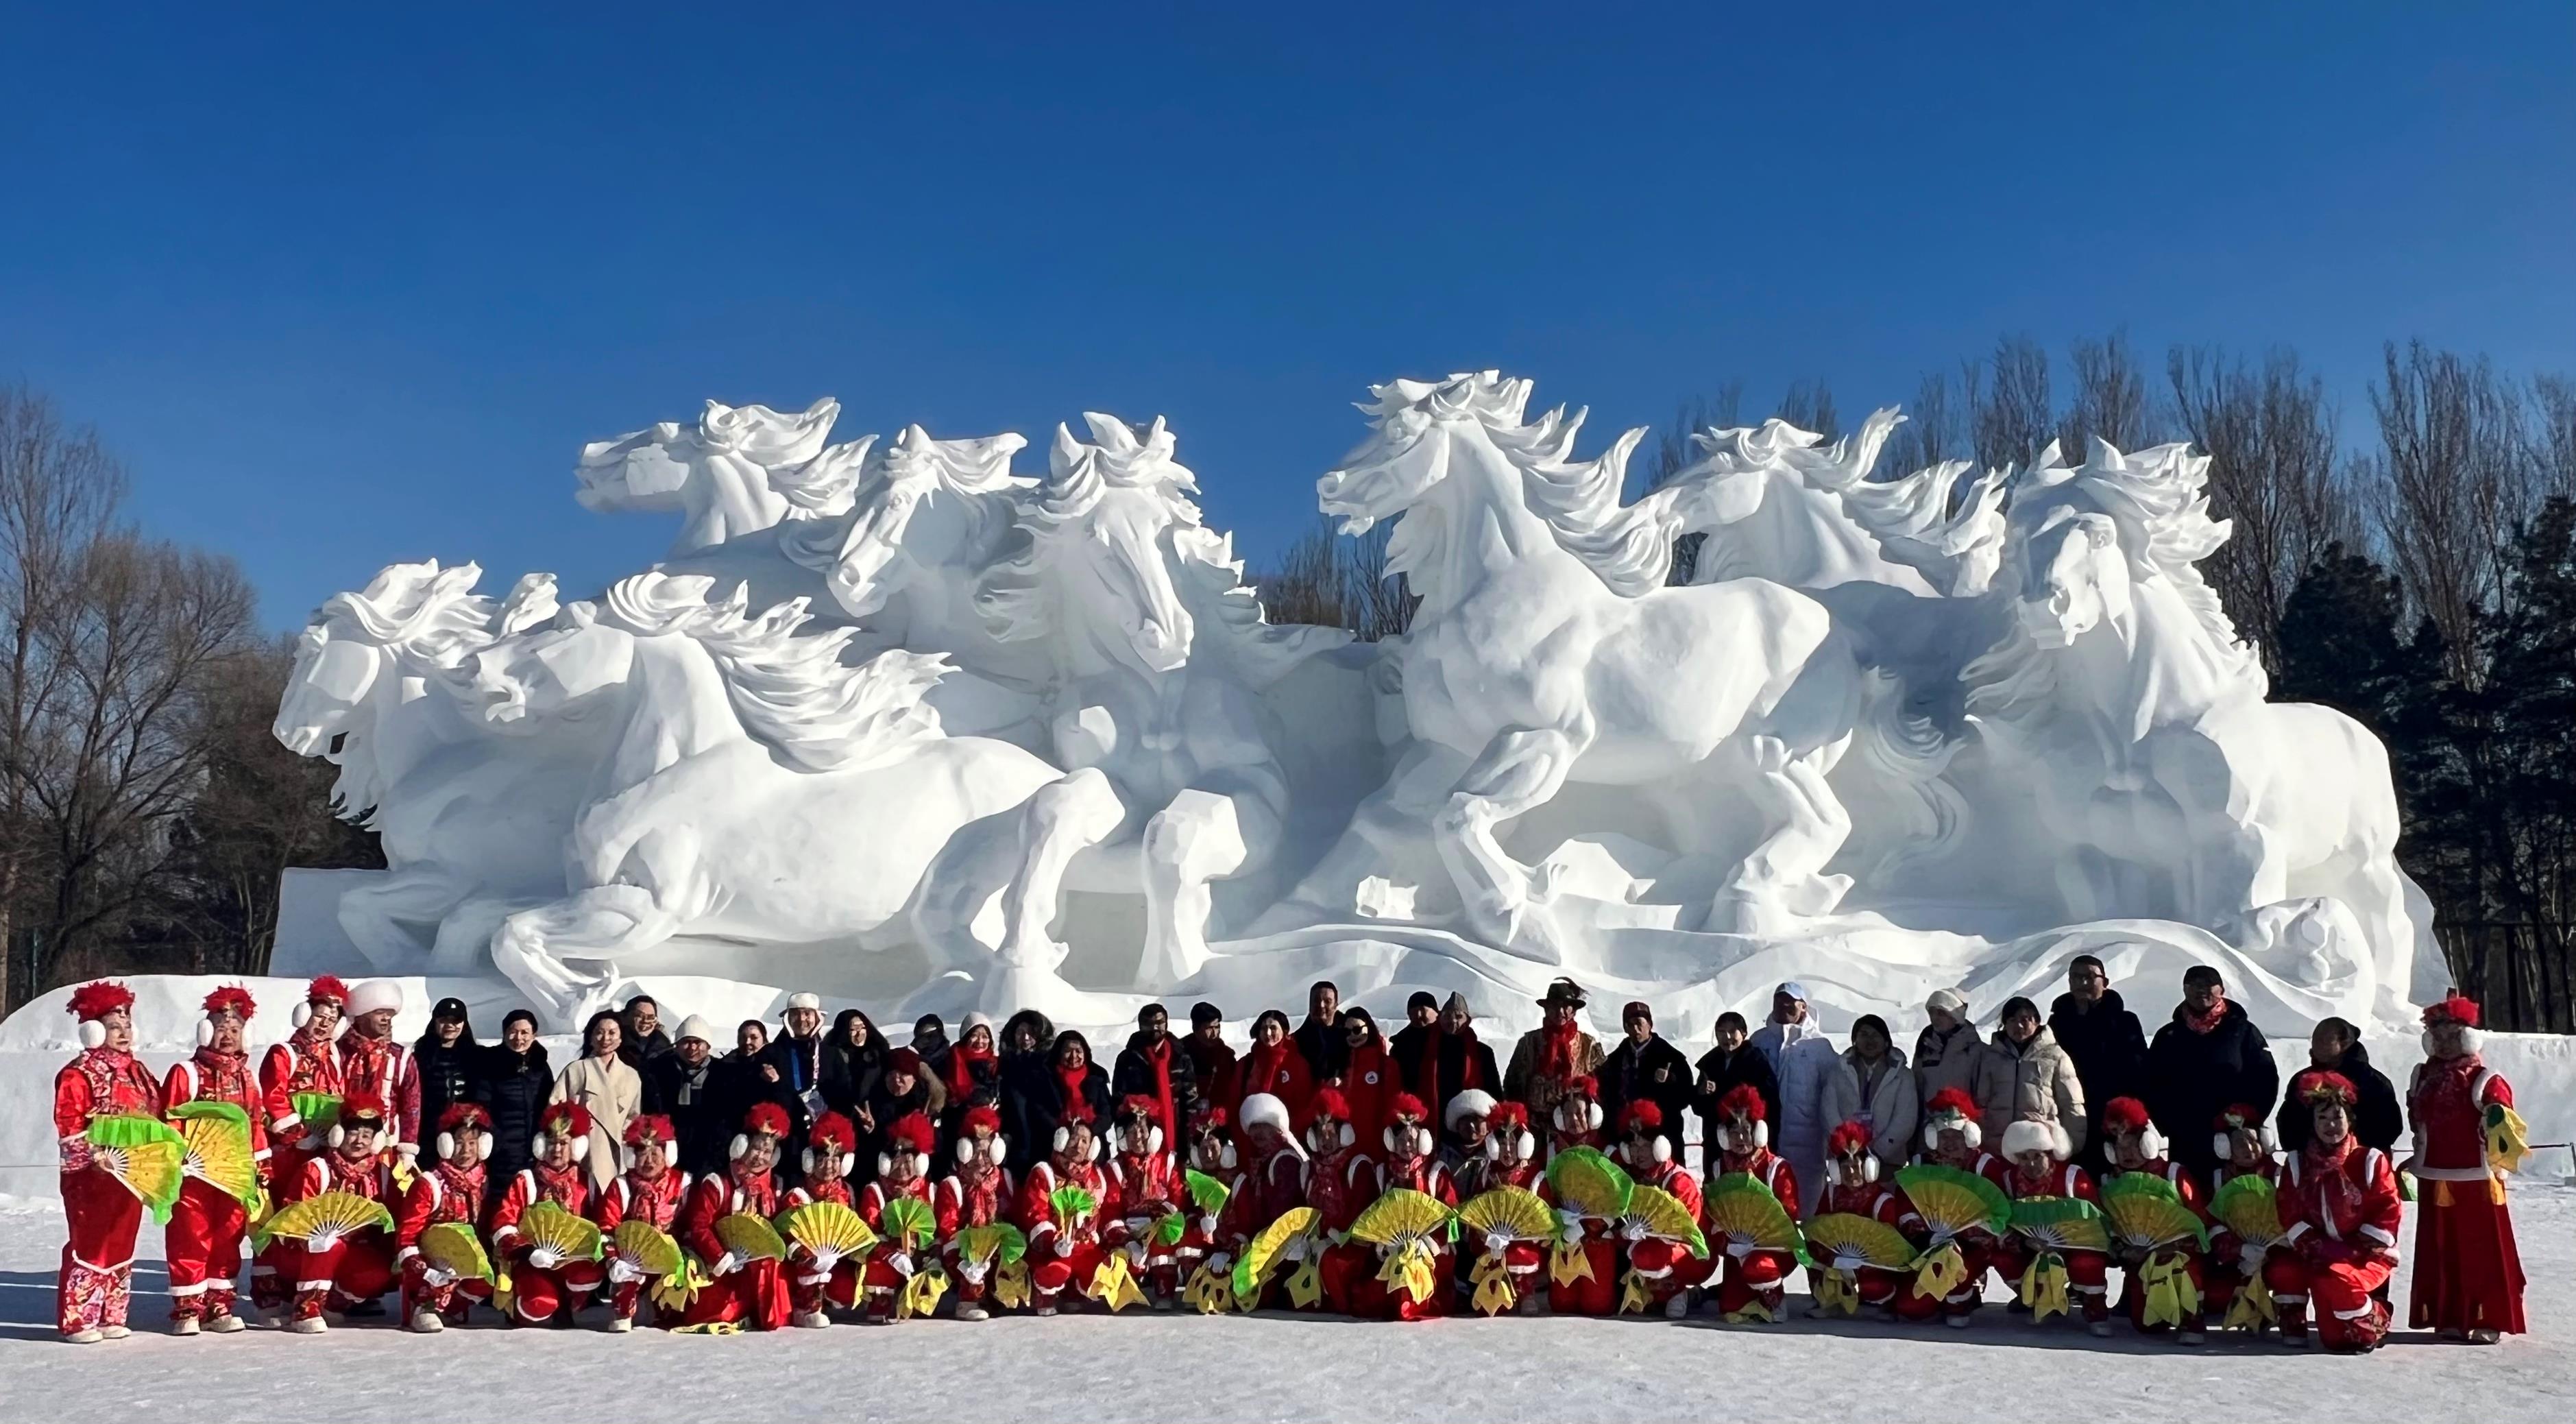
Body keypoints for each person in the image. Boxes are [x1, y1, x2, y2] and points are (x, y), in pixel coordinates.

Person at [2405, 993, 2526, 1342]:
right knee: (2441, 1249)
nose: (2444, 1044)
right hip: (2434, 1176)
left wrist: (2495, 1120)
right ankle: (2451, 1315)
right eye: (2438, 1036)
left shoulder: (2486, 1079)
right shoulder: (2422, 1075)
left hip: (2477, 1179)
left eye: (2453, 1036)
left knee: (2481, 1248)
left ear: (2469, 1036)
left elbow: (2505, 1125)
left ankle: (2489, 1318)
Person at [53, 982, 164, 1343]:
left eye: (127, 1026)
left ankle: (111, 1314)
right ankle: (78, 1319)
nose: (124, 1033)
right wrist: (94, 1154)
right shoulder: (78, 1073)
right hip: (91, 1173)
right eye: (115, 1027)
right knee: (90, 1241)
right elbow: (69, 1123)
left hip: (131, 1172)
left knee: (122, 1240)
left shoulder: (140, 1072)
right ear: (95, 1030)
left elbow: (158, 1113)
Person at [2270, 1070, 2404, 1352]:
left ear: (2349, 1120)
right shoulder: (2296, 1164)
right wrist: (2317, 1247)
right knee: (2284, 1269)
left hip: (2364, 1255)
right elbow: (2289, 1212)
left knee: (2344, 1303)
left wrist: (2354, 1249)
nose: (2331, 1125)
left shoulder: (2369, 1160)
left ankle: (2375, 1320)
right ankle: (2293, 1320)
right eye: (2323, 1118)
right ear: (2312, 1123)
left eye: (2337, 1117)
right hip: (2317, 1256)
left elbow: (2388, 1210)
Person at [161, 984, 267, 1336]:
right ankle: (187, 1308)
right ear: (206, 1031)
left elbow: (255, 1123)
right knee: (190, 1236)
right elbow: (171, 1120)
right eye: (221, 1028)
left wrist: (261, 1162)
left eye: (235, 1030)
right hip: (194, 1173)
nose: (227, 1036)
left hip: (233, 1174)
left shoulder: (247, 1078)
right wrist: (177, 1157)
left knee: (228, 1236)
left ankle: (220, 1304)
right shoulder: (186, 1073)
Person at [278, 1090, 400, 1334]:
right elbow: (294, 1217)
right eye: (354, 1132)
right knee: (329, 1242)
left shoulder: (383, 1175)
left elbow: (393, 1220)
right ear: (339, 1133)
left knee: (379, 1272)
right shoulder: (317, 1169)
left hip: (354, 1251)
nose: (359, 1141)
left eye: (367, 1135)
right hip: (304, 1253)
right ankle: (306, 1308)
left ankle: (333, 1304)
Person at [2144, 966, 2278, 1180]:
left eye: (2208, 985)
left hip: (2236, 1139)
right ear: (2184, 990)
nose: (2201, 991)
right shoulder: (2168, 1036)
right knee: (2191, 1203)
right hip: (2187, 1140)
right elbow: (2151, 1084)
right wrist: (2171, 1125)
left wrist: (2248, 1120)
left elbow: (2266, 1079)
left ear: (2221, 990)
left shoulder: (2243, 1032)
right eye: (2194, 985)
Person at [676, 1102, 794, 1331]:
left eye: (767, 1151)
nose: (760, 1156)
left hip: (757, 1268)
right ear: (741, 1146)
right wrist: (721, 1257)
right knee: (719, 1312)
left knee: (774, 1297)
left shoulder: (776, 1187)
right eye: (756, 1148)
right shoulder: (718, 1184)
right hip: (720, 1267)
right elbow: (699, 1226)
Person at [2098, 1096, 2205, 1343]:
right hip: (2140, 1260)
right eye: (2120, 1148)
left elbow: (2198, 1221)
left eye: (2134, 1146)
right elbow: (2107, 1227)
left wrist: (2173, 1245)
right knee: (2145, 1326)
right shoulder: (2111, 1183)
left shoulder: (2173, 1174)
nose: (2128, 1154)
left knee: (2188, 1269)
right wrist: (2124, 1250)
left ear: (2148, 1143)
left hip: (2181, 1257)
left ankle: (2193, 1317)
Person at [1897, 1089, 2008, 1327]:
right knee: (1911, 1307)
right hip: (1929, 1245)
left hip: (1972, 1248)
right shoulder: (1920, 1165)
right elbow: (1906, 1206)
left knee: (1955, 1304)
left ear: (1969, 1136)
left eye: (1956, 1136)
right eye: (1943, 1136)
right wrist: (1927, 1236)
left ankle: (1965, 1293)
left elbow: (1998, 1213)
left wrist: (1961, 1236)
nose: (1949, 1143)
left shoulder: (1984, 1166)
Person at [1992, 1115, 2111, 1336]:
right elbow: (2000, 1219)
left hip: (2075, 1247)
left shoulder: (2072, 1177)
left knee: (2088, 1262)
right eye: (2023, 1158)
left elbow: (2096, 1220)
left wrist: (2066, 1243)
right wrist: (2023, 1240)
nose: (2031, 1164)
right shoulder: (2009, 1180)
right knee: (2003, 1256)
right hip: (2031, 1248)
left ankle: (2095, 1309)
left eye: (2037, 1156)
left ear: (2049, 1153)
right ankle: (2034, 1298)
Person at [489, 1101, 604, 1325]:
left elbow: (601, 1225)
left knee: (590, 1273)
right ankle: (519, 1306)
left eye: (563, 1143)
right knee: (538, 1306)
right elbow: (503, 1223)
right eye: (551, 1143)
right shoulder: (527, 1180)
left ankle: (568, 1303)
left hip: (571, 1261)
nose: (557, 1150)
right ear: (541, 1145)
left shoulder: (585, 1183)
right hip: (531, 1261)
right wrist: (528, 1251)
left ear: (576, 1147)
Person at [1351, 1093, 1457, 1320]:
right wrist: (1383, 1243)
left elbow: (1452, 1221)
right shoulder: (1381, 1174)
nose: (1407, 1145)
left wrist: (1428, 1244)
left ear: (1423, 1141)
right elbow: (1370, 1217)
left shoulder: (1436, 1174)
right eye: (1401, 1140)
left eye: (1412, 1140)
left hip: (1431, 1252)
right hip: (1390, 1251)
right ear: (1391, 1140)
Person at [1808, 1119, 1924, 1320]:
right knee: (1816, 1265)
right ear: (1836, 1171)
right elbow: (1818, 1233)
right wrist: (1834, 1258)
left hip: (1874, 1270)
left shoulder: (1882, 1201)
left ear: (1869, 1168)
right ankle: (1832, 1300)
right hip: (1838, 1265)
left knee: (1875, 1287)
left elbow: (1893, 1249)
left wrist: (1861, 1263)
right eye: (1845, 1168)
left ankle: (1880, 1302)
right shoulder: (1830, 1194)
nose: (1852, 1173)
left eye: (1856, 1166)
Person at [394, 1102, 492, 1332]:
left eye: (472, 1143)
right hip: (429, 1266)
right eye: (459, 1143)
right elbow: (407, 1237)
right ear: (446, 1145)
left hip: (465, 1261)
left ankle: (448, 1308)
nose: (466, 1151)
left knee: (487, 1281)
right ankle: (425, 1306)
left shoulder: (483, 1182)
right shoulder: (429, 1184)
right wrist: (424, 1269)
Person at [1705, 1085, 1799, 1323]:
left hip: (1774, 1251)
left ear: (1758, 1132)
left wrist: (1759, 1241)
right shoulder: (1719, 1169)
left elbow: (1788, 1216)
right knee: (1730, 1307)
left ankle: (1774, 1294)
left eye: (1746, 1131)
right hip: (1737, 1251)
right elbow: (1712, 1214)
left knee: (1759, 1271)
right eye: (1733, 1132)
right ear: (1724, 1135)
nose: (1741, 1138)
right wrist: (1725, 1241)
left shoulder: (1777, 1169)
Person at [2049, 955, 2147, 1171]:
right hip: (2069, 1116)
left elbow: (2140, 1073)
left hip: (2113, 1118)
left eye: (2090, 977)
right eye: (2076, 977)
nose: (2082, 982)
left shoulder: (2125, 1022)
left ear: (2105, 981)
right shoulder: (2057, 1023)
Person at [594, 1113, 691, 1332]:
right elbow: (606, 1228)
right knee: (626, 1273)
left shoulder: (683, 1184)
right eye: (642, 1154)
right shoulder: (621, 1187)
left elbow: (691, 1226)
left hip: (672, 1260)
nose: (649, 1161)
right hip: (633, 1262)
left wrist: (687, 1256)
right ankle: (624, 1307)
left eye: (655, 1154)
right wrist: (613, 1260)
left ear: (667, 1154)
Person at [1017, 1101, 1111, 1316]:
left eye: (1085, 1141)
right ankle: (1046, 1294)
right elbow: (1035, 1213)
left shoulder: (1097, 1178)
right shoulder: (1045, 1173)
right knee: (1057, 1270)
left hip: (1084, 1247)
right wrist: (1053, 1242)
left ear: (1092, 1147)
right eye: (1074, 1138)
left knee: (1106, 1273)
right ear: (1061, 1139)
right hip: (1052, 1249)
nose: (1078, 1145)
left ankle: (1074, 1292)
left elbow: (1102, 1216)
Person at [1751, 982, 1838, 1211]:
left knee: (1804, 1206)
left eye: (1791, 1003)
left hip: (1807, 1143)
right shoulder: (1760, 1041)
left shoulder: (1819, 1046)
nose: (1784, 1007)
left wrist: (1833, 1137)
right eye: (1779, 1002)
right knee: (1767, 1206)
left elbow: (1834, 1094)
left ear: (1804, 1007)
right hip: (1765, 1138)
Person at [1613, 1101, 1704, 1318]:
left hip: (1688, 1252)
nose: (1638, 1153)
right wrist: (1623, 1234)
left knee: (1647, 1254)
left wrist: (1651, 1233)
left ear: (1659, 1146)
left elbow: (1688, 1227)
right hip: (1648, 1251)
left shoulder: (1678, 1180)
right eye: (1633, 1147)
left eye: (1644, 1146)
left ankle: (1677, 1292)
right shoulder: (1631, 1179)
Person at [258, 976, 349, 1194]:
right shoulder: (284, 1053)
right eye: (320, 1016)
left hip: (325, 1148)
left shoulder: (335, 1056)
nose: (325, 1024)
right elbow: (273, 1097)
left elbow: (339, 1094)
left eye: (332, 1020)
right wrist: (299, 1135)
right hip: (289, 1148)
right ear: (305, 1015)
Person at [1297, 1088, 1381, 1316]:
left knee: (1330, 1263)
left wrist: (1333, 1236)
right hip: (1319, 1243)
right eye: (1320, 1134)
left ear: (1343, 1134)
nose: (1326, 1141)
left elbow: (1363, 1216)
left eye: (1331, 1134)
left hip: (1355, 1247)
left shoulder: (1358, 1166)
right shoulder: (1309, 1170)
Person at [852, 1111, 939, 1325]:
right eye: (896, 1157)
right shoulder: (876, 1192)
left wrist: (929, 1253)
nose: (901, 1164)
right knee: (875, 1262)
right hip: (888, 1258)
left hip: (920, 1258)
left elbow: (939, 1232)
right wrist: (892, 1255)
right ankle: (880, 1300)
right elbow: (869, 1235)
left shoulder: (930, 1192)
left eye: (909, 1159)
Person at [1459, 1100, 1545, 1315]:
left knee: (1521, 1254)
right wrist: (1485, 1235)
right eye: (1502, 1143)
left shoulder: (1533, 1176)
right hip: (1492, 1243)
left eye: (1514, 1144)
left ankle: (1526, 1292)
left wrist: (1525, 1233)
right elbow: (1476, 1211)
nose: (1508, 1150)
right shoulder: (1487, 1173)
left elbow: (1545, 1216)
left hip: (1525, 1242)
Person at [1978, 995, 2088, 1163]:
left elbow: (2071, 1103)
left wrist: (2072, 1145)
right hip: (1998, 1148)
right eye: (2012, 1020)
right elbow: (1981, 1103)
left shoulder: (2054, 1055)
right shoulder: (1991, 1057)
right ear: (2004, 1025)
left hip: (2039, 1151)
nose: (2019, 1026)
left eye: (2025, 1019)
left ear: (2037, 1021)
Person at [1102, 1095, 1185, 1310]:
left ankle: (1165, 1290)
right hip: (1129, 1228)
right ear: (1122, 1136)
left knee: (1164, 1245)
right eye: (1131, 1131)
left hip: (1159, 1226)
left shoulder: (1168, 1163)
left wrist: (1161, 1222)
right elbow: (1110, 1210)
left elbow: (1178, 1197)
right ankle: (1128, 1289)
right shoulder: (1115, 1168)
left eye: (1142, 1130)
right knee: (1121, 1256)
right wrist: (1127, 1239)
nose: (1137, 1137)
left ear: (1153, 1135)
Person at [936, 1105, 1017, 1321]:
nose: (981, 1160)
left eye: (986, 1152)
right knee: (972, 1256)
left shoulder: (1004, 1179)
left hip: (996, 1249)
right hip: (963, 1252)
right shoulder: (953, 1184)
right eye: (976, 1152)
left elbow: (1012, 1215)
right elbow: (947, 1229)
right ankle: (967, 1301)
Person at [2276, 1017, 2401, 1155]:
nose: (2315, 1044)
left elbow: (2389, 1129)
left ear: (2344, 1043)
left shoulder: (2374, 1083)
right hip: (2311, 1167)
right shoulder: (2302, 1080)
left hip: (2363, 1167)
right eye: (2314, 1039)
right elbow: (2288, 1127)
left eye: (2323, 1040)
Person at [552, 1009, 643, 1192]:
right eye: (599, 1032)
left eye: (612, 1033)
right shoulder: (576, 1071)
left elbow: (634, 1116)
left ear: (621, 1038)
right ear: (591, 1037)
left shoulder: (631, 1076)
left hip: (616, 1153)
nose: (605, 1038)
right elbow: (555, 1112)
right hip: (584, 1153)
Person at [1825, 1013, 1918, 1183]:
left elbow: (1905, 1119)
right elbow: (1829, 1111)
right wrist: (1847, 1148)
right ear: (1855, 1041)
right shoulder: (1838, 1072)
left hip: (1888, 1161)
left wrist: (1877, 1153)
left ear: (1887, 1041)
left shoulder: (1902, 1075)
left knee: (1885, 1206)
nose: (1870, 1040)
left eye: (1876, 1035)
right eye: (1864, 1035)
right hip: (1848, 1161)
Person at [1599, 1001, 1693, 1168]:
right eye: (1630, 1025)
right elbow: (1606, 1098)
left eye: (1639, 1024)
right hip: (1628, 1137)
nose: (1635, 1029)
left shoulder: (1672, 1058)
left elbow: (1686, 1097)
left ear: (1650, 1024)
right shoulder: (1614, 1061)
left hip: (1663, 1135)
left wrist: (1670, 1080)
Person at [1505, 978, 1605, 1131]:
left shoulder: (1588, 1045)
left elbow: (1603, 1087)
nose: (1560, 1012)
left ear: (1574, 1010)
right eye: (1555, 1007)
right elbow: (1512, 1087)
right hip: (1536, 1128)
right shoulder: (1528, 1044)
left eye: (1566, 1007)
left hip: (1577, 1128)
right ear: (1546, 1009)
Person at [337, 979, 422, 1157]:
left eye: (390, 1014)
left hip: (385, 1145)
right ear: (361, 1015)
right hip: (342, 1140)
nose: (386, 1019)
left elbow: (411, 1106)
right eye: (380, 1013)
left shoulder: (401, 1057)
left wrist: (407, 1145)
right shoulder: (339, 1052)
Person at [1692, 1012, 1780, 1183]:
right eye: (1721, 1032)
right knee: (1717, 1188)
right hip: (1716, 1141)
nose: (1727, 1037)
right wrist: (1701, 1094)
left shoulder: (1756, 1062)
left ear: (1744, 1033)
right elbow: (1698, 1108)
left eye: (1733, 1031)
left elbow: (1771, 1103)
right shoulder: (1710, 1063)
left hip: (1747, 1140)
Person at [473, 1009, 552, 1183]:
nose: (519, 1038)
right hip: (501, 1151)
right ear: (505, 1033)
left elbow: (549, 1104)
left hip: (534, 1148)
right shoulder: (490, 1064)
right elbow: (482, 1106)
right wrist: (497, 1140)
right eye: (513, 1032)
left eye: (525, 1032)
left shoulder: (540, 1066)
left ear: (534, 1035)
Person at [643, 1015, 728, 1177]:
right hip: (668, 1147)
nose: (692, 1048)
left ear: (708, 1045)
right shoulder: (658, 1071)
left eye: (698, 1042)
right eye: (686, 1042)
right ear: (676, 1045)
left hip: (708, 1150)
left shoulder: (723, 1073)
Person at [762, 993, 834, 1182]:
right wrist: (773, 1084)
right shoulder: (771, 1053)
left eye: (807, 1014)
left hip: (822, 1137)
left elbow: (841, 1093)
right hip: (784, 1139)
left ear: (817, 1017)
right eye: (796, 1014)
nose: (802, 1019)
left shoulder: (830, 1054)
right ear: (787, 1018)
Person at [1111, 1004, 1195, 1148]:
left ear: (1167, 1024)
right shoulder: (1128, 1059)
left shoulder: (1180, 1056)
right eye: (1148, 1024)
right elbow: (1118, 1099)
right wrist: (1127, 1130)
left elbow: (1191, 1099)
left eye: (1159, 1023)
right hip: (1140, 1135)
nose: (1155, 1028)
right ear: (1140, 1026)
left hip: (1176, 1131)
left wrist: (1191, 1134)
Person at [862, 1048, 947, 1186]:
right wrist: (872, 1131)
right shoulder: (873, 1106)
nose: (897, 1080)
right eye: (891, 1074)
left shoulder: (929, 1106)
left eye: (903, 1074)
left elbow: (940, 1151)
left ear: (914, 1078)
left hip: (921, 1182)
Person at [995, 1009, 1059, 1173]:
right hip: (1015, 1142)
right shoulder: (1004, 1065)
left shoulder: (1052, 1065)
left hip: (1048, 1140)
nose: (1025, 1038)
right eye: (1020, 1033)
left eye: (1031, 1033)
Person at [412, 998, 479, 1148]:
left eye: (456, 1021)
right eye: (444, 1020)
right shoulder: (421, 1055)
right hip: (426, 1130)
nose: (450, 1025)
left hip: (463, 1131)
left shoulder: (475, 1056)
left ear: (464, 1023)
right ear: (435, 1021)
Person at [1230, 1009, 1313, 1122]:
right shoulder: (1247, 1064)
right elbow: (1234, 1103)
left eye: (1273, 1028)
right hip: (1250, 1134)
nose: (1268, 1033)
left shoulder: (1297, 1064)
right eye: (1264, 1028)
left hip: (1286, 1134)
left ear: (1284, 1031)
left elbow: (1303, 1106)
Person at [1912, 987, 1986, 1108]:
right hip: (1929, 1122)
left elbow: (1983, 1094)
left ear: (1955, 1016)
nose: (1934, 1018)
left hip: (1964, 1121)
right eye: (1932, 1012)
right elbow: (1916, 1087)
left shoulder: (1976, 1050)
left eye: (1941, 1013)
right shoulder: (1925, 1046)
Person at [940, 1014, 1001, 1155]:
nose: (980, 1041)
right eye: (974, 1035)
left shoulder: (997, 1065)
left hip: (993, 1134)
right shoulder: (951, 1062)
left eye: (985, 1036)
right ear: (965, 1037)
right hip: (958, 1131)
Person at [1337, 1007, 1396, 1150]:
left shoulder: (1385, 1064)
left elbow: (1393, 1103)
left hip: (1376, 1141)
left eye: (1357, 1029)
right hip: (1345, 1142)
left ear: (1368, 1028)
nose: (1353, 1035)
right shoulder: (1340, 1063)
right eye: (1347, 1032)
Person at [819, 1007, 888, 1126]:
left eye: (862, 1028)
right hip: (841, 1119)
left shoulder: (878, 1052)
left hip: (877, 1117)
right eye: (853, 1029)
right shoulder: (830, 1055)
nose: (859, 1033)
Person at [1180, 1002, 1237, 1112]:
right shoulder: (1180, 1052)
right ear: (1195, 1028)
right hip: (1185, 1117)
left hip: (1219, 1118)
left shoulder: (1226, 1055)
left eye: (1217, 1027)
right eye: (1210, 1028)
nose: (1215, 1033)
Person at [1293, 980, 1350, 1083]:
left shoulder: (1351, 1035)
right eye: (1316, 1001)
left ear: (1336, 1004)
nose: (1321, 1005)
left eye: (1327, 1001)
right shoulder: (1295, 1042)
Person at [1442, 1089, 1498, 1174]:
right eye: (1465, 1120)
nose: (1471, 1125)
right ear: (1457, 1126)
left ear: (1488, 1125)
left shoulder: (1497, 1155)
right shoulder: (1445, 1156)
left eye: (1476, 1120)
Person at [617, 994, 674, 1069]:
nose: (645, 1021)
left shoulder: (665, 1049)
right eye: (640, 1016)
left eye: (651, 1017)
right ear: (626, 1017)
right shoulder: (610, 1045)